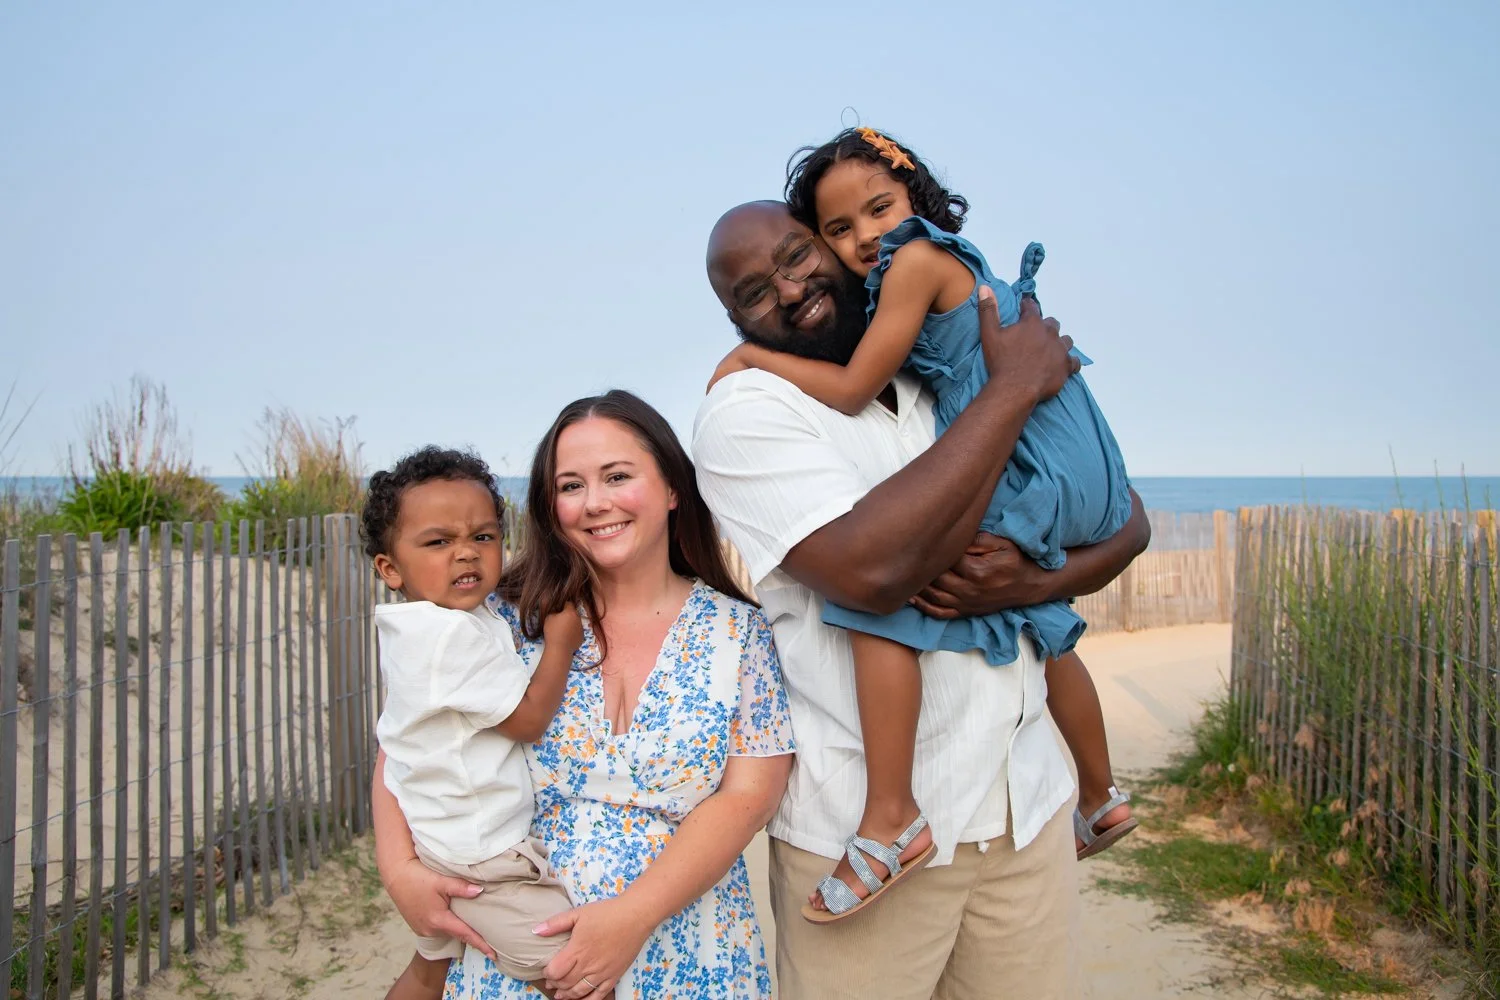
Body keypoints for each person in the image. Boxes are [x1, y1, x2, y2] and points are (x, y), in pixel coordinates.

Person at [696, 200, 1150, 998]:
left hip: (1025, 810)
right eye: (756, 293)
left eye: (798, 256)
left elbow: (1127, 521)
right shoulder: (748, 410)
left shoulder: (937, 361)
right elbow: (871, 576)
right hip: (864, 837)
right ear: (736, 322)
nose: (792, 289)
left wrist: (1038, 583)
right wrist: (1013, 389)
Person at [373, 390, 795, 1000]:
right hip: (519, 952)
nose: (595, 503)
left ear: (673, 488)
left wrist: (632, 917)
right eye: (571, 486)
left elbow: (749, 797)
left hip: (689, 945)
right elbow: (407, 743)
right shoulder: (500, 618)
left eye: (617, 476)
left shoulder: (739, 631)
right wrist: (399, 872)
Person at [364, 446, 582, 999]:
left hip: (442, 833)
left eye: (483, 536)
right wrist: (561, 642)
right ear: (390, 568)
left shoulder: (434, 618)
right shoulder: (446, 638)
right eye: (438, 542)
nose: (466, 553)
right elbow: (528, 721)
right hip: (481, 856)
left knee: (431, 967)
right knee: (569, 972)